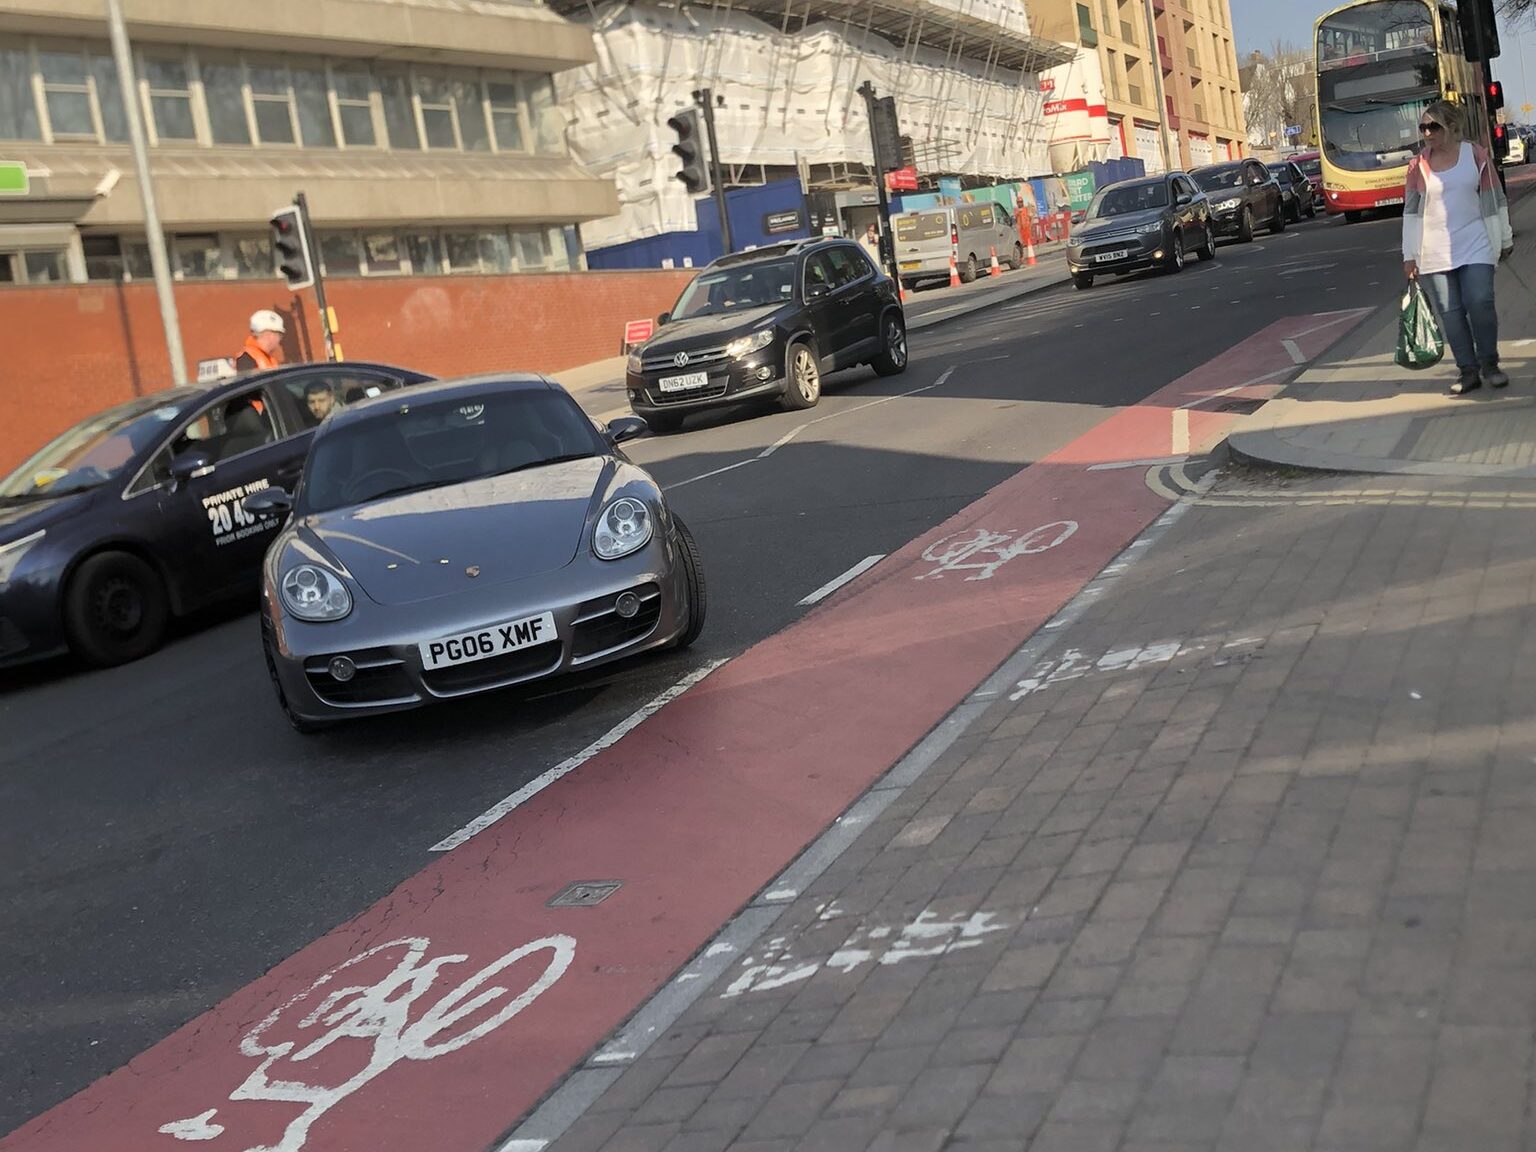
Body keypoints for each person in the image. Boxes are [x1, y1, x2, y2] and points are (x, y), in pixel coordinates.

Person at [1403, 99, 1513, 395]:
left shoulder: (1475, 155)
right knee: (1451, 314)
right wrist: (1409, 255)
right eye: (1423, 127)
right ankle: (1468, 371)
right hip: (1434, 251)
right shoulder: (1417, 166)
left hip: (1476, 242)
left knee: (1480, 302)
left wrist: (1505, 238)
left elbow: (1496, 198)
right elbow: (1410, 213)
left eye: (1434, 126)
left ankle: (1490, 364)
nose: (1427, 133)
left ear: (1452, 127)